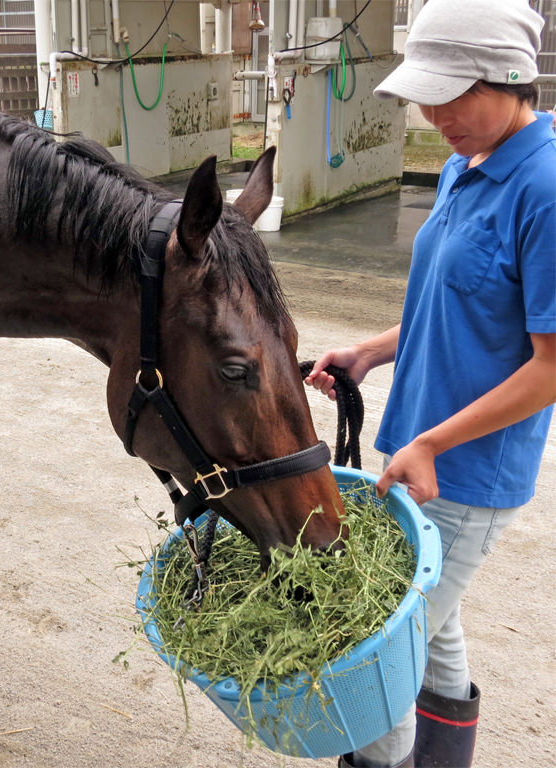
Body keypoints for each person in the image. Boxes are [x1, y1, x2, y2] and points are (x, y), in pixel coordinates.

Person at [304, 2, 555, 767]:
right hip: (415, 450)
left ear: (511, 78)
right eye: (427, 93)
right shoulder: (462, 166)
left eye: (452, 95)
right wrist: (371, 352)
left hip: (466, 470)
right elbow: (450, 304)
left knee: (375, 656)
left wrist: (435, 441)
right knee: (428, 625)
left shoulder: (544, 189)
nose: (434, 114)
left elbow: (550, 368)